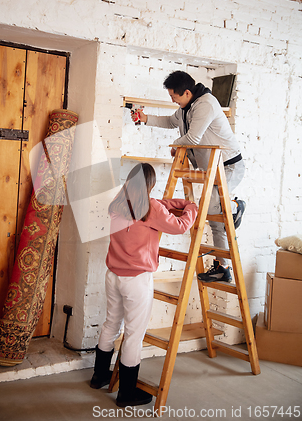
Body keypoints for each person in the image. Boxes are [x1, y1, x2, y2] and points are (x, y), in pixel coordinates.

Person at [90, 163, 197, 407]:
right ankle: (126, 394)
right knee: (134, 336)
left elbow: (157, 204)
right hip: (136, 280)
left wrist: (172, 203)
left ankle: (99, 376)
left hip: (113, 275)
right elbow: (181, 227)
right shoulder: (152, 208)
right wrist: (192, 207)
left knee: (111, 323)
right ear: (150, 184)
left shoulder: (118, 202)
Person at [132, 70, 246, 283]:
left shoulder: (205, 105)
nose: (172, 100)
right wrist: (145, 119)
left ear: (186, 92)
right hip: (211, 168)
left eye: (174, 96)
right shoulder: (185, 107)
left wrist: (177, 146)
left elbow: (192, 138)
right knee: (215, 218)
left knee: (213, 212)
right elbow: (170, 122)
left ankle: (236, 207)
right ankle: (223, 266)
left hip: (229, 166)